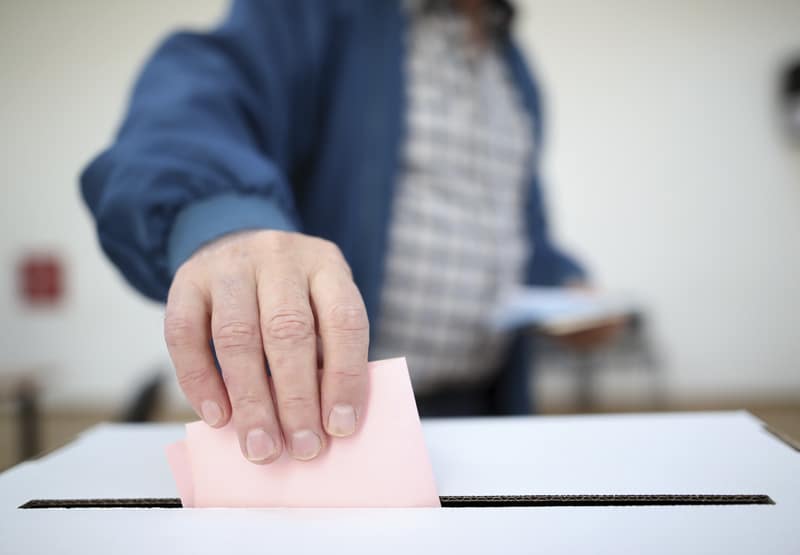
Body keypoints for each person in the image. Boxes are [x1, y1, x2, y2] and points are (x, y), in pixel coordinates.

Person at [81, 0, 611, 465]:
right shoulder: (323, 10)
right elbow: (194, 103)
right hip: (340, 433)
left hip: (488, 412)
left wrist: (565, 287)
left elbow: (514, 227)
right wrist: (225, 224)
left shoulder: (513, 72)